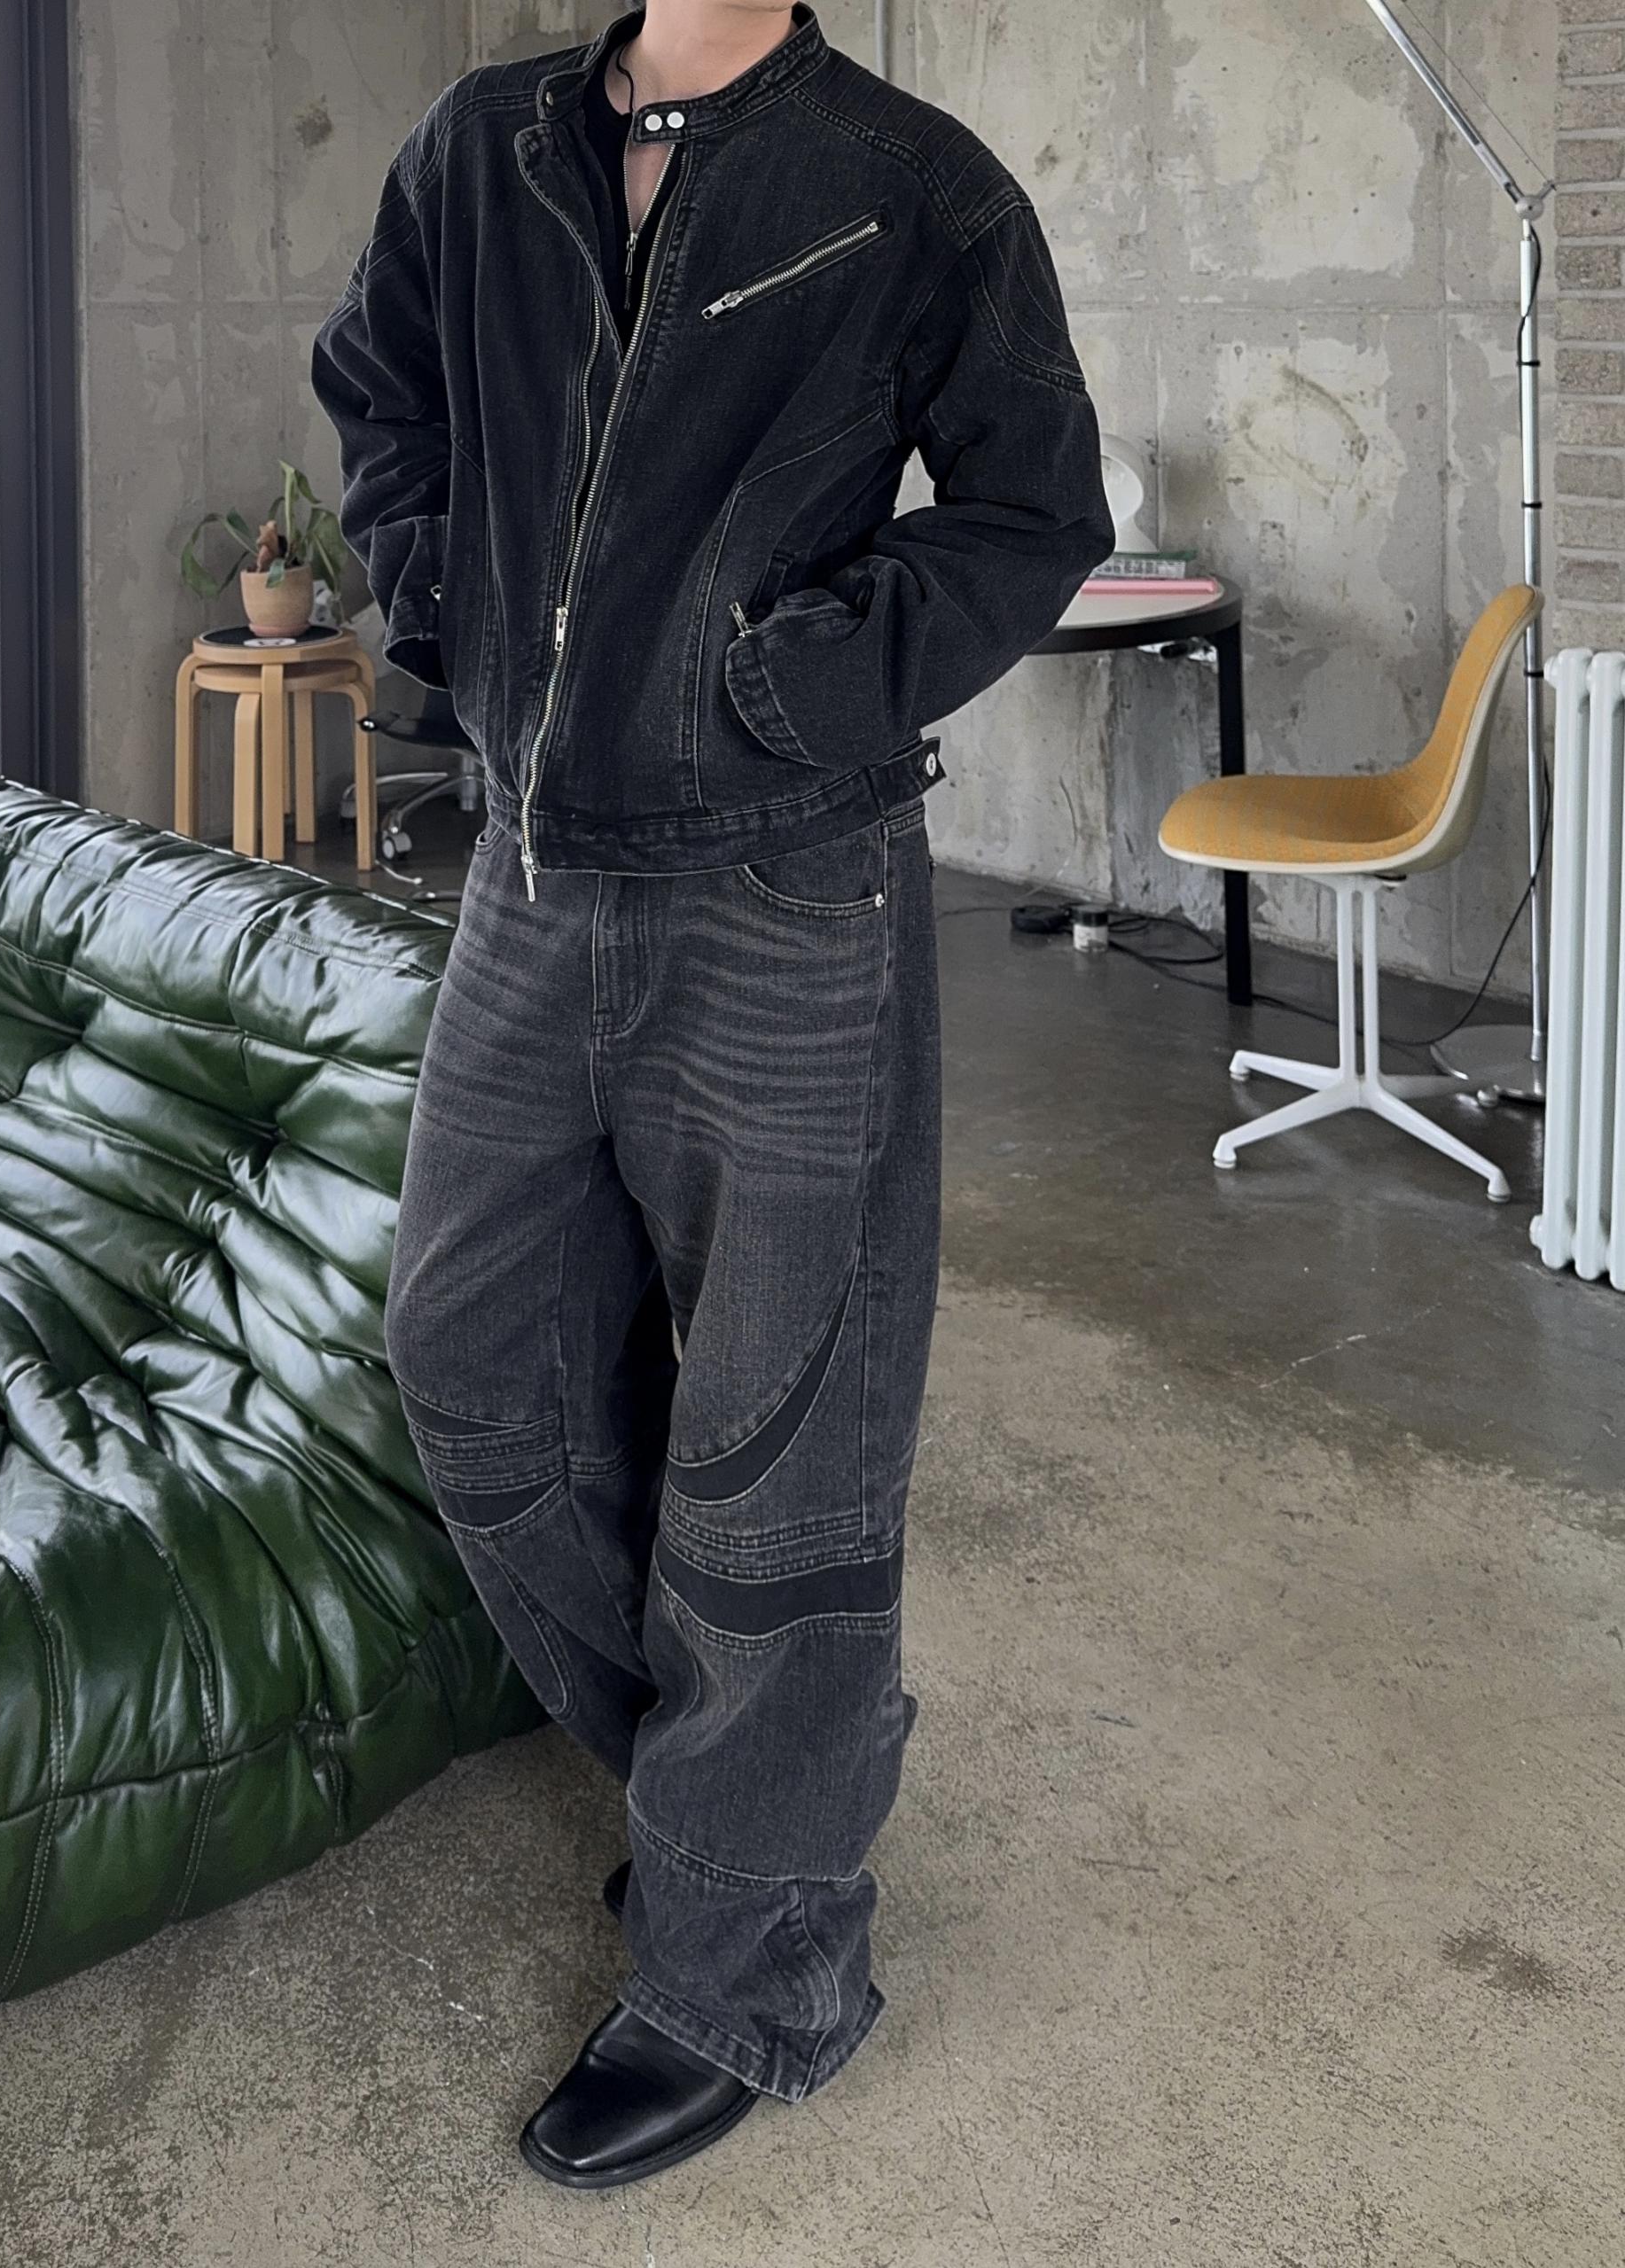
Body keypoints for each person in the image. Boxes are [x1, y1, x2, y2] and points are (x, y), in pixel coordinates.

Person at [313, 0, 1112, 2193]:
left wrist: (797, 679)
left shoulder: (912, 184)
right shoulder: (480, 150)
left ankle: (754, 1963)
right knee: (468, 1360)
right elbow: (380, 389)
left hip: (787, 885)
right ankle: (731, 1797)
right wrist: (448, 594)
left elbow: (1036, 509)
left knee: (781, 1445)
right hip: (530, 873)